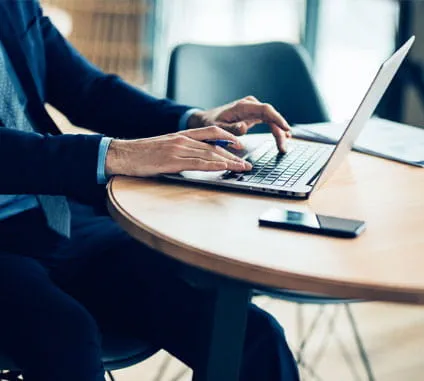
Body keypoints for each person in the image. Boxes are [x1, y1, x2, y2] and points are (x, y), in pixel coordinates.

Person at [0, 1, 299, 380]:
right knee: (68, 341)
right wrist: (118, 154)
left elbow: (86, 90)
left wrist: (192, 120)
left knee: (248, 336)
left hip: (56, 215)